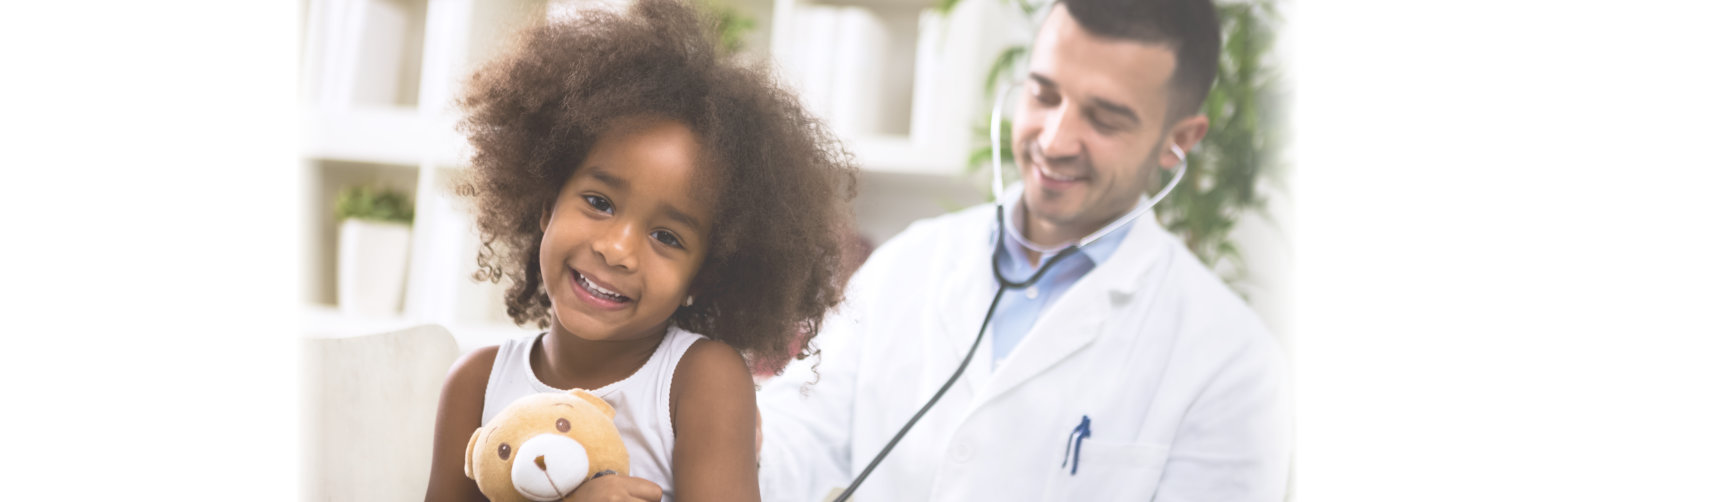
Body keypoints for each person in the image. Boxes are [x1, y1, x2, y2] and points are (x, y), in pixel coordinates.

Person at [754, 0, 1290, 500]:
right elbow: (793, 437)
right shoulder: (911, 262)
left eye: (1104, 119)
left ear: (1181, 142)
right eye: (1043, 94)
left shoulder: (1234, 365)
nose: (1054, 141)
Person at [423, 0, 858, 500]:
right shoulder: (476, 383)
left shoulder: (700, 380)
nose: (617, 249)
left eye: (668, 237)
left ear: (703, 277)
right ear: (547, 203)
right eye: (599, 202)